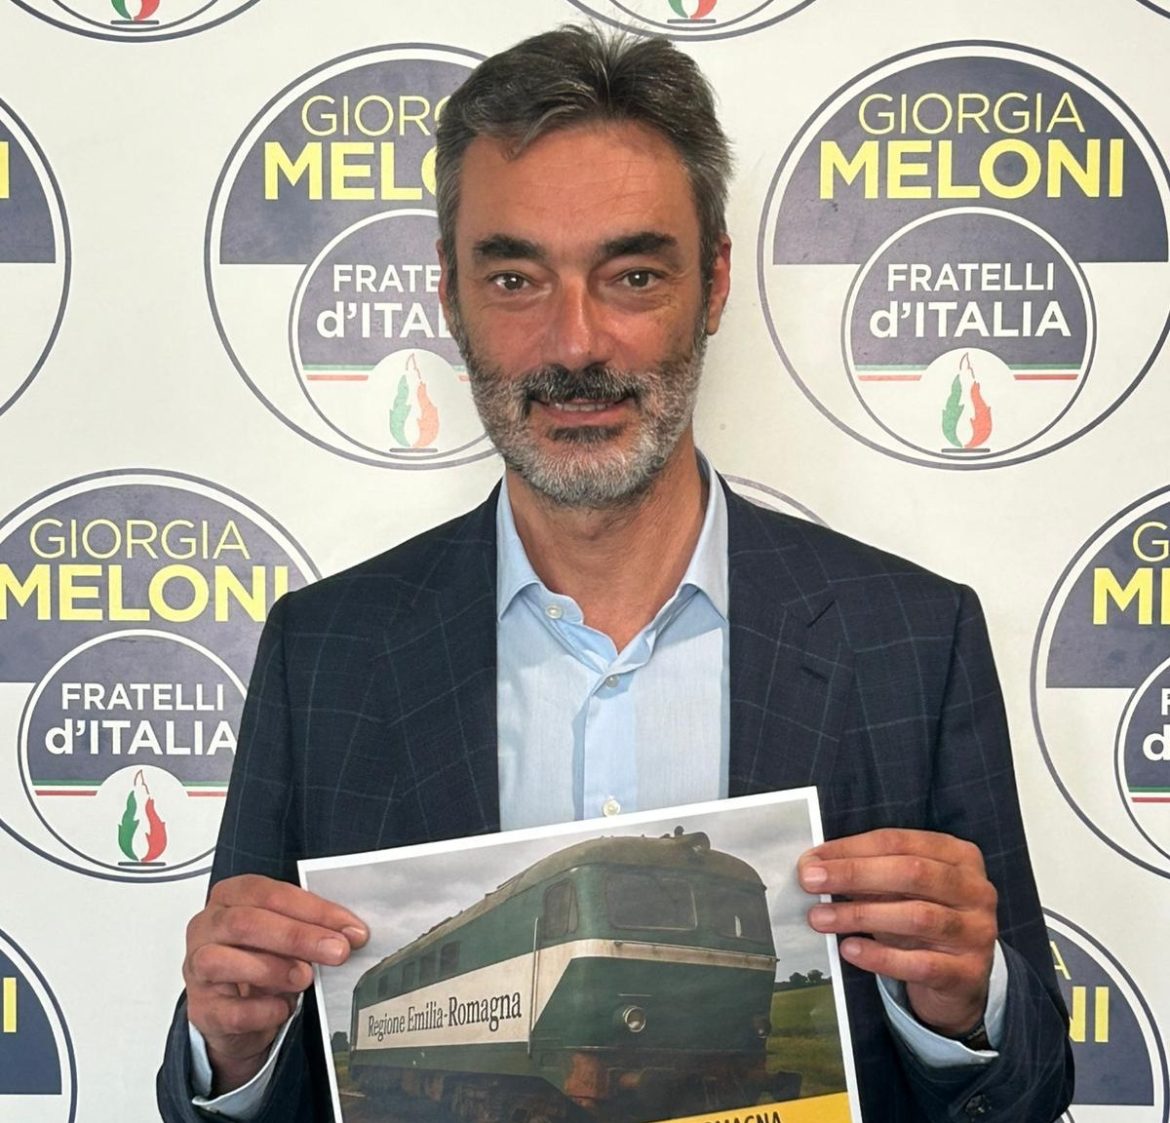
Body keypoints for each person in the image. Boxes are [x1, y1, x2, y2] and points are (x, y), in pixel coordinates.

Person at [158, 26, 1073, 1123]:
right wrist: (233, 1052)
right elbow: (253, 1069)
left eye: (633, 275)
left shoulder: (914, 642)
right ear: (448, 293)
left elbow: (1032, 1090)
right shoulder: (325, 654)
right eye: (515, 277)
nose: (576, 343)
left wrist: (969, 1008)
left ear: (714, 282)